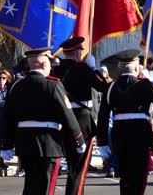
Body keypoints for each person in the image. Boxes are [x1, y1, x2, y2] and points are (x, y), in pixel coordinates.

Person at [0, 47, 85, 195]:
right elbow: (67, 115)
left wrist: (7, 144)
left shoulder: (16, 86)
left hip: (25, 142)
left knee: (30, 186)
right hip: (48, 143)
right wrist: (78, 140)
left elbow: (7, 117)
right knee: (45, 188)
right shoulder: (53, 85)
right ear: (45, 65)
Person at [97, 49, 153, 194]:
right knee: (138, 176)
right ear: (136, 67)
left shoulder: (111, 86)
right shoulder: (144, 84)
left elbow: (102, 116)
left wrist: (102, 142)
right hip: (140, 133)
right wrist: (150, 82)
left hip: (119, 134)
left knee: (125, 177)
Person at [51, 37, 107, 195]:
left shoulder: (55, 70)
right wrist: (94, 69)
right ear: (77, 53)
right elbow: (104, 87)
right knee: (79, 168)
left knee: (65, 165)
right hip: (82, 120)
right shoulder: (83, 68)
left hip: (61, 120)